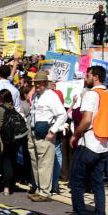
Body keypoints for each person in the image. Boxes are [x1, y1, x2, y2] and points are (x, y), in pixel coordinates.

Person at [68, 65, 108, 215]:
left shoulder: (91, 94)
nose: (85, 78)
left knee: (76, 179)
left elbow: (87, 120)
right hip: (103, 144)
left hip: (89, 142)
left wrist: (75, 135)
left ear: (95, 77)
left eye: (87, 75)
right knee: (97, 181)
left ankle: (79, 213)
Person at [27, 71, 67, 201]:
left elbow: (62, 115)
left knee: (44, 164)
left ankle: (44, 191)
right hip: (33, 132)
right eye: (36, 83)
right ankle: (39, 188)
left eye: (40, 83)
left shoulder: (51, 96)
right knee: (35, 162)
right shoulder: (36, 96)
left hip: (44, 133)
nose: (37, 85)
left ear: (45, 83)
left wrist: (53, 131)